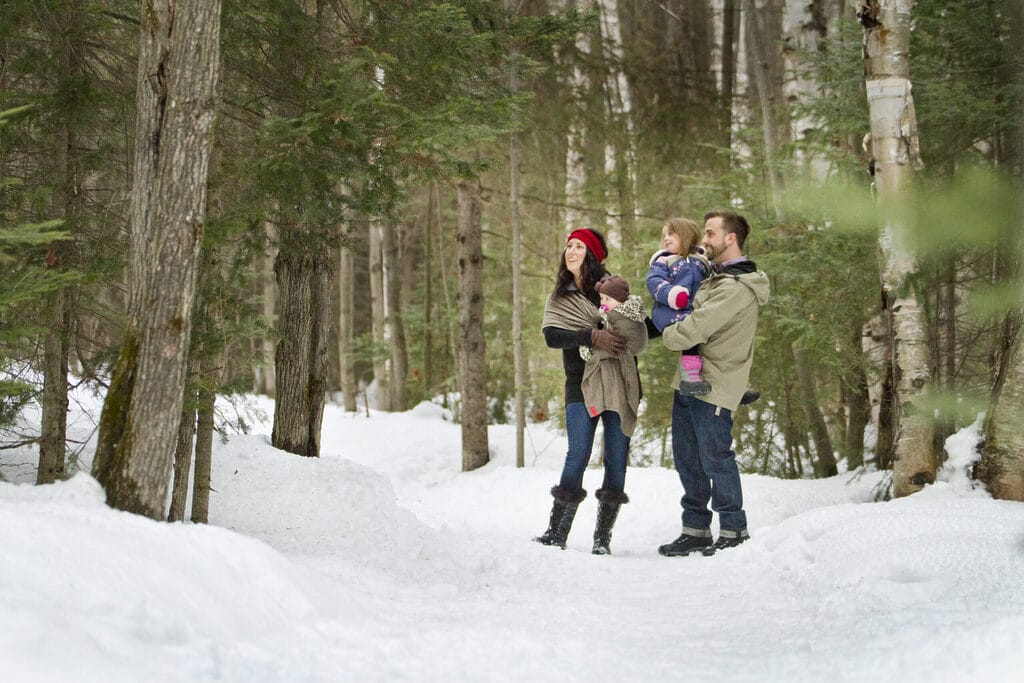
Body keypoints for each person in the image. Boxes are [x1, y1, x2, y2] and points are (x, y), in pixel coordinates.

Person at [657, 210, 770, 557]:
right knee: (688, 458)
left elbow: (695, 327)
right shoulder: (714, 277)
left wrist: (668, 331)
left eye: (710, 233)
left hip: (717, 384)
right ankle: (696, 530)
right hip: (691, 381)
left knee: (716, 458)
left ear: (730, 238)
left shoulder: (738, 287)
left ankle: (734, 529)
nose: (704, 240)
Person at [535, 229, 644, 554]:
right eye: (568, 245)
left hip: (619, 383)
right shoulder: (560, 297)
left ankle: (602, 539)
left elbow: (635, 328)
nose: (570, 250)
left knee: (615, 459)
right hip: (579, 384)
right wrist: (591, 337)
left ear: (593, 254)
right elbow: (552, 336)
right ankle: (556, 534)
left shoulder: (612, 290)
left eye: (579, 246)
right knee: (577, 454)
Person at [646, 217, 712, 396]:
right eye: (664, 235)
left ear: (687, 236)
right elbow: (653, 282)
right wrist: (672, 294)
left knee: (705, 334)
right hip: (670, 311)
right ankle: (690, 379)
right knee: (690, 334)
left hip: (693, 310)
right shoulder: (664, 261)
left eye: (671, 234)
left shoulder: (702, 261)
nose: (666, 238)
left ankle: (718, 379)